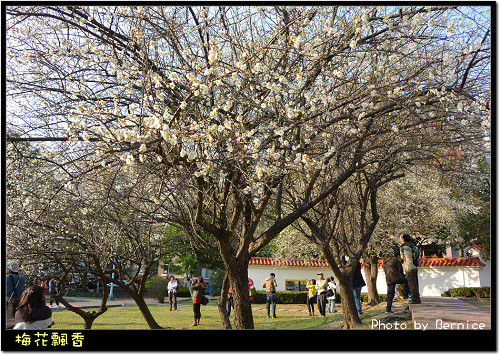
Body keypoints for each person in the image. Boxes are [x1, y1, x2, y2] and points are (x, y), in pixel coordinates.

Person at [400, 234, 421, 304]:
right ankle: (416, 297)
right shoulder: (410, 245)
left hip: (410, 267)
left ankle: (415, 299)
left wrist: (408, 268)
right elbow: (398, 241)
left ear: (403, 239)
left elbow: (408, 258)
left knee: (412, 284)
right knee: (415, 283)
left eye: (401, 238)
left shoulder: (405, 247)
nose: (400, 239)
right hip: (414, 266)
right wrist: (390, 235)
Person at [6, 260, 26, 326]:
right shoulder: (22, 278)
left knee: (8, 323)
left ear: (9, 269)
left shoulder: (7, 278)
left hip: (8, 301)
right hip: (18, 302)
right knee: (16, 322)